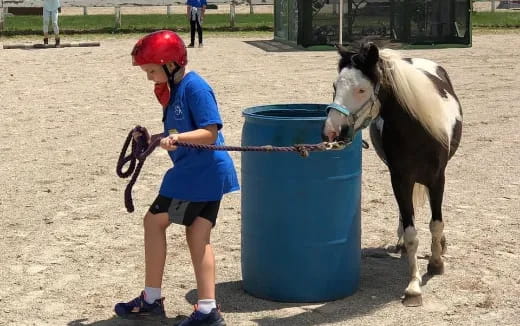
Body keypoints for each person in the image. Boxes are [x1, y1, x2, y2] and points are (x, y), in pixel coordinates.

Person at [114, 30, 238, 326]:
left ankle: (152, 299)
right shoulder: (175, 88)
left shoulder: (195, 88)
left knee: (154, 221)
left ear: (170, 64)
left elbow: (210, 132)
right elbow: (180, 131)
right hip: (204, 173)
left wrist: (179, 137)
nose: (148, 77)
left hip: (199, 173)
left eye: (152, 70)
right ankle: (207, 309)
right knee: (197, 235)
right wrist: (159, 138)